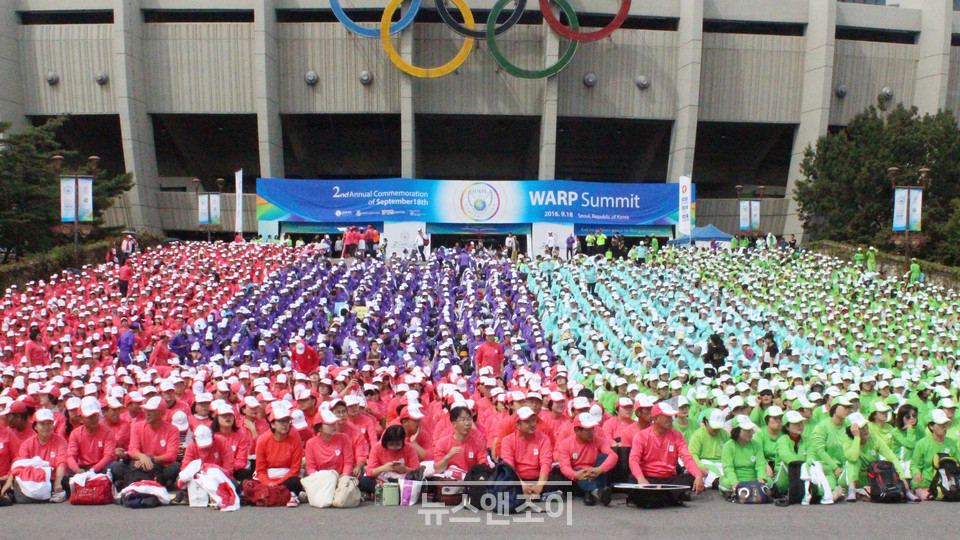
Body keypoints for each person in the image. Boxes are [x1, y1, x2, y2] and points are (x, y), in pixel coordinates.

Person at [628, 402, 705, 506]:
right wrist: (640, 478)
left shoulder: (677, 435)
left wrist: (698, 475)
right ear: (656, 418)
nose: (671, 420)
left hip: (669, 479)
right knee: (633, 479)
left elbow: (687, 458)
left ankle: (659, 497)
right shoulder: (641, 436)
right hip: (648, 477)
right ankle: (671, 497)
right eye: (667, 417)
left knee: (689, 477)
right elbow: (633, 460)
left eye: (671, 417)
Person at [0, 409, 68, 502]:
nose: (46, 427)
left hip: (53, 479)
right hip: (32, 480)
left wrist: (57, 483)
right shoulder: (27, 444)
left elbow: (61, 462)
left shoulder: (60, 441)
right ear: (35, 426)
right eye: (42, 424)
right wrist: (8, 482)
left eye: (49, 423)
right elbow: (19, 464)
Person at [117, 396, 180, 491]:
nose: (147, 414)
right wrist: (142, 457)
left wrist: (150, 459)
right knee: (118, 467)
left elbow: (171, 455)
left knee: (176, 467)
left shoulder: (172, 430)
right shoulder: (137, 427)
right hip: (139, 464)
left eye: (151, 411)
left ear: (161, 414)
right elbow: (133, 449)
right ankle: (157, 482)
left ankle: (138, 482)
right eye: (146, 410)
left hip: (160, 466)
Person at [557, 412, 617, 506]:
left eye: (592, 429)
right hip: (579, 476)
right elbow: (564, 466)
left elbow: (613, 456)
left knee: (604, 457)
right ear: (577, 430)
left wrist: (599, 469)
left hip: (596, 472)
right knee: (580, 473)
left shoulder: (599, 440)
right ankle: (597, 492)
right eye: (587, 430)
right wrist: (576, 474)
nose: (591, 432)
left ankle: (592, 494)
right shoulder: (566, 444)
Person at [253, 404, 304, 507]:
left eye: (287, 421)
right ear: (272, 424)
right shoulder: (263, 440)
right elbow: (260, 468)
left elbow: (295, 470)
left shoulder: (295, 442)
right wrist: (267, 482)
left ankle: (285, 494)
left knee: (294, 481)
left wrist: (277, 483)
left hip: (287, 477)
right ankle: (286, 494)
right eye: (281, 422)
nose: (285, 425)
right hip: (268, 476)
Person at [500, 407, 552, 498]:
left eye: (533, 421)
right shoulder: (508, 441)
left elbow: (546, 462)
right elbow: (509, 466)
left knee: (558, 478)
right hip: (517, 478)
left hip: (537, 477)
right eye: (527, 422)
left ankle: (536, 492)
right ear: (518, 425)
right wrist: (520, 484)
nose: (532, 424)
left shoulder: (543, 439)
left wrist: (540, 485)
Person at [910, 409, 960, 499]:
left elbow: (958, 462)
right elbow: (914, 465)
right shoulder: (922, 444)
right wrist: (916, 473)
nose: (944, 427)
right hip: (928, 480)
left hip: (947, 479)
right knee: (915, 482)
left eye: (945, 424)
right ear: (931, 426)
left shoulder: (951, 443)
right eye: (941, 425)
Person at [432, 405, 487, 479]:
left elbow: (484, 467)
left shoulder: (478, 444)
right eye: (463, 420)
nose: (467, 423)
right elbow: (438, 470)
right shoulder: (442, 443)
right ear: (454, 423)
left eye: (469, 419)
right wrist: (448, 457)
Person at [362, 425, 419, 495]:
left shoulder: (409, 448)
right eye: (391, 444)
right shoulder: (377, 448)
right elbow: (369, 472)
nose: (394, 447)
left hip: (403, 480)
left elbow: (418, 471)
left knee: (422, 483)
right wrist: (383, 468)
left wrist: (405, 469)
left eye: (398, 444)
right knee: (365, 481)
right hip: (382, 480)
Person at [719, 415, 770, 492]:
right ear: (737, 431)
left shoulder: (756, 445)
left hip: (754, 478)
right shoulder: (728, 446)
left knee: (769, 481)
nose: (750, 433)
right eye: (746, 430)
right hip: (737, 478)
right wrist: (734, 481)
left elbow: (760, 464)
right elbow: (728, 467)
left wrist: (761, 478)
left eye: (751, 430)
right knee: (725, 483)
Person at [305, 408, 354, 476]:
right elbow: (310, 467)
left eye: (334, 423)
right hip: (320, 478)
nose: (334, 426)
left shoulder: (344, 438)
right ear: (319, 427)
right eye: (329, 424)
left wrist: (344, 475)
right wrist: (316, 477)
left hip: (341, 477)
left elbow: (348, 462)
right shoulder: (310, 443)